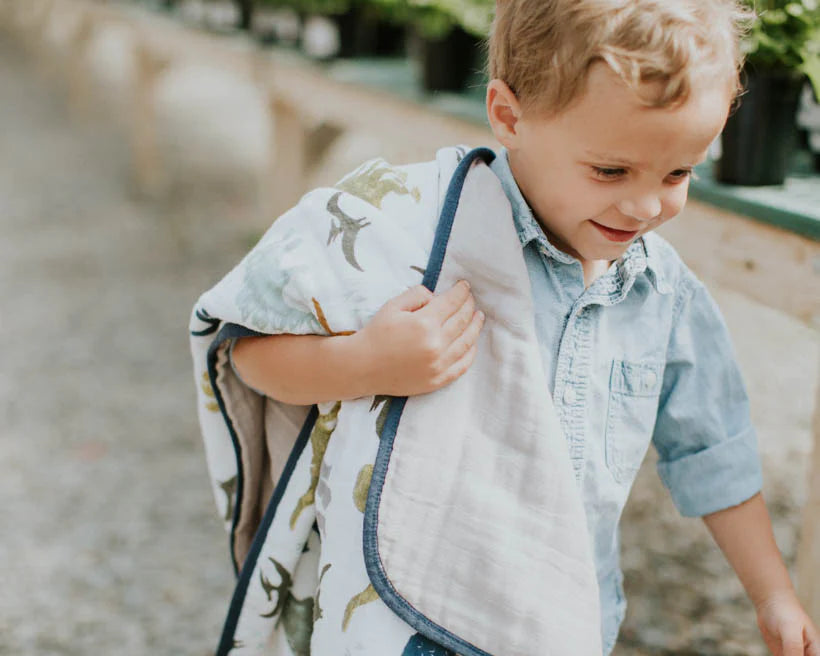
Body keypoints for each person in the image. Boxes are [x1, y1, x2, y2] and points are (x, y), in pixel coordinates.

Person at [194, 0, 820, 654]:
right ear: (507, 116)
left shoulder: (661, 292)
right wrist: (364, 363)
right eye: (610, 171)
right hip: (409, 617)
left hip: (564, 622)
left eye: (678, 172)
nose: (645, 204)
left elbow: (713, 447)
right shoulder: (405, 229)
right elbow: (246, 354)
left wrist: (772, 594)